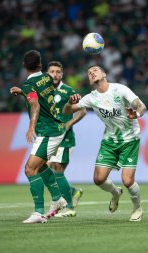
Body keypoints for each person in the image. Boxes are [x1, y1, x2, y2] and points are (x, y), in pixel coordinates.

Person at [63, 65, 146, 222]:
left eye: (95, 70)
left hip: (130, 139)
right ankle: (115, 193)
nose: (92, 73)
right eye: (89, 73)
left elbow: (141, 105)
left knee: (128, 181)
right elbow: (67, 111)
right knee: (98, 179)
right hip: (109, 141)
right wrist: (68, 103)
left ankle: (137, 208)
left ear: (104, 74)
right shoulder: (91, 97)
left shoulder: (120, 89)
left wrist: (137, 113)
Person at [9, 50, 68, 224]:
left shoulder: (30, 85)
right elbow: (39, 96)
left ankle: (39, 212)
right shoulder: (47, 78)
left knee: (29, 169)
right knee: (40, 167)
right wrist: (22, 92)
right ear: (41, 65)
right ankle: (58, 198)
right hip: (56, 128)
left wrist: (31, 127)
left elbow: (34, 103)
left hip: (47, 132)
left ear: (24, 66)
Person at [46, 61, 87, 217]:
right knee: (47, 168)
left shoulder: (69, 91)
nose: (55, 74)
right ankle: (73, 191)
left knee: (57, 169)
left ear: (62, 74)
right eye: (52, 72)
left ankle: (69, 207)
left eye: (58, 72)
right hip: (50, 137)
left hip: (65, 139)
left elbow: (82, 112)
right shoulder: (45, 92)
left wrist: (68, 123)